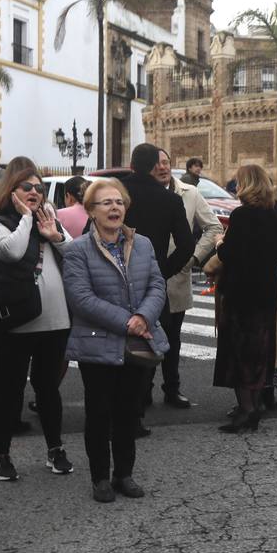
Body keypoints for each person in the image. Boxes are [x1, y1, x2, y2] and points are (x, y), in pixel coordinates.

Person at [63, 179, 167, 501]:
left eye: (119, 202)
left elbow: (157, 285)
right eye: (106, 203)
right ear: (91, 212)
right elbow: (80, 298)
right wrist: (127, 322)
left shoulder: (143, 244)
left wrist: (143, 318)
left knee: (128, 411)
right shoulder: (78, 250)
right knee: (99, 413)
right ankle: (100, 479)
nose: (114, 208)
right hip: (98, 343)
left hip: (136, 341)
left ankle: (125, 474)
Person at [0, 165, 74, 483]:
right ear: (11, 192)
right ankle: (0, 456)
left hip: (55, 319)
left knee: (48, 388)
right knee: (9, 391)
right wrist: (25, 217)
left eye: (38, 187)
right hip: (18, 320)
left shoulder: (50, 221)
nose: (34, 192)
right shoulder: (0, 223)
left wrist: (56, 236)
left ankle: (56, 450)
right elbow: (11, 252)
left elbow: (76, 254)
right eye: (25, 187)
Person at [213, 164, 277, 433]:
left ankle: (246, 410)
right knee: (259, 352)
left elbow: (229, 255)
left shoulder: (242, 215)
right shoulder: (273, 215)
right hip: (267, 293)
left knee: (239, 352)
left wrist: (220, 243)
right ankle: (254, 404)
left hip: (241, 293)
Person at [123, 143, 194, 425]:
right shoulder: (170, 200)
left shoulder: (117, 192)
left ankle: (122, 405)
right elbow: (187, 244)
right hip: (153, 280)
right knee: (149, 339)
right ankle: (139, 406)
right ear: (155, 165)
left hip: (117, 275)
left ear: (132, 164)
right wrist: (163, 270)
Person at [158, 147, 221, 408]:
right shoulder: (138, 194)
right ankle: (141, 389)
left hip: (178, 275)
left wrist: (194, 258)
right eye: (156, 163)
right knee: (147, 334)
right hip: (146, 274)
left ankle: (172, 389)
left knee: (173, 336)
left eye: (165, 162)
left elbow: (213, 227)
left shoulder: (190, 193)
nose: (161, 167)